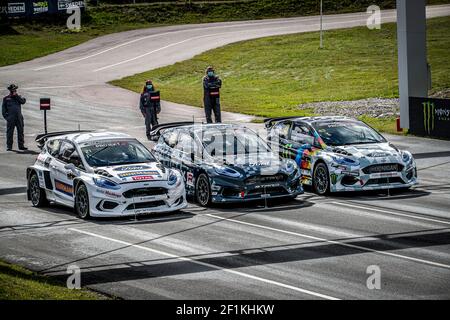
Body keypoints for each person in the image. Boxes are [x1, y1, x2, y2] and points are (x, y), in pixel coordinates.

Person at [2, 84, 27, 151]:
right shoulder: (6, 98)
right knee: (9, 133)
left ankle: (21, 146)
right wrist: (7, 118)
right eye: (13, 90)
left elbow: (23, 101)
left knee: (20, 132)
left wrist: (16, 96)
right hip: (11, 118)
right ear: (10, 91)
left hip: (19, 118)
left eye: (15, 90)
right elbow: (3, 110)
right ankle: (9, 146)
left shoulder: (18, 97)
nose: (14, 91)